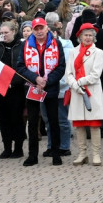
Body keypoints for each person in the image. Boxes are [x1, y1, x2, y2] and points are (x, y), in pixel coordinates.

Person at [16, 17, 66, 166]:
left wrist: (46, 81)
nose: (39, 31)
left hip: (50, 87)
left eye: (41, 28)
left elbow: (61, 67)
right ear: (32, 30)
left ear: (47, 28)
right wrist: (35, 79)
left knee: (53, 121)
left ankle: (56, 153)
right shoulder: (25, 44)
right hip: (32, 87)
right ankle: (32, 156)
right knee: (32, 122)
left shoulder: (56, 43)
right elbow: (20, 66)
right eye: (36, 29)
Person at [65, 23, 103, 165]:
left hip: (92, 91)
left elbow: (95, 74)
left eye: (90, 35)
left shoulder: (98, 52)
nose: (88, 38)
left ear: (94, 37)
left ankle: (96, 154)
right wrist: (75, 85)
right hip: (77, 92)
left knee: (94, 124)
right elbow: (68, 73)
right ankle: (82, 153)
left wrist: (80, 82)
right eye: (85, 35)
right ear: (80, 37)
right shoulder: (73, 52)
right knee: (79, 124)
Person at [0, 20, 26, 158]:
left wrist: (15, 81)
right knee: (2, 118)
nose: (3, 35)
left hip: (16, 88)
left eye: (6, 32)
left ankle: (18, 148)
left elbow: (24, 67)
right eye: (1, 33)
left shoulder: (22, 45)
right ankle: (7, 147)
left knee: (16, 118)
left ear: (14, 32)